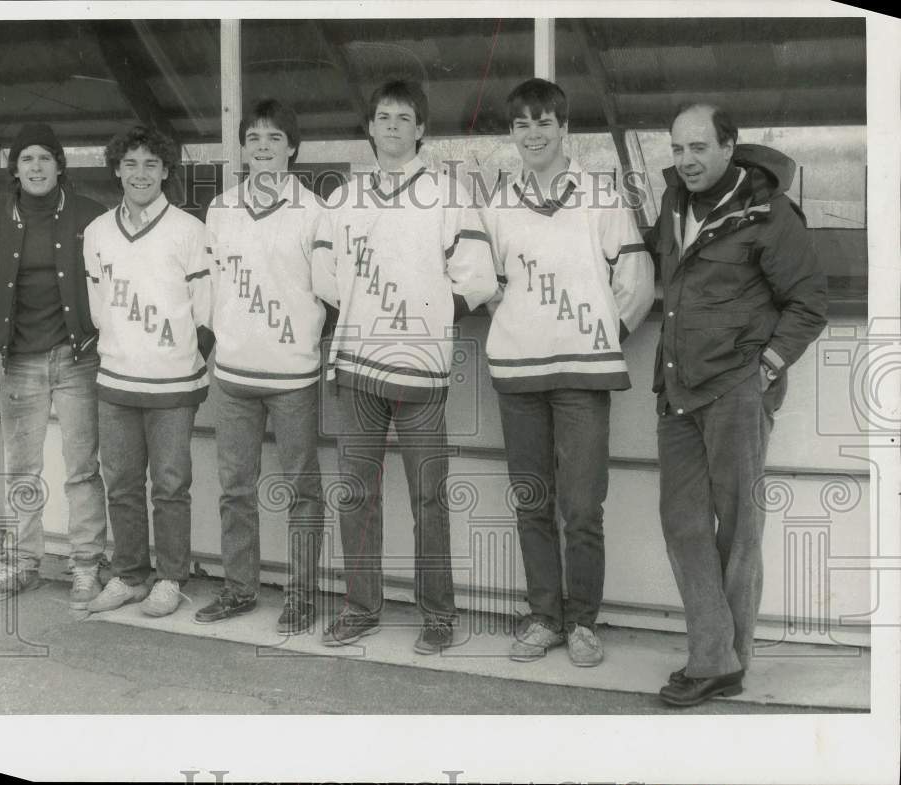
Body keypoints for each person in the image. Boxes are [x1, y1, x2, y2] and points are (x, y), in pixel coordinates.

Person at [646, 104, 827, 706]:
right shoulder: (672, 204)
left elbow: (808, 303)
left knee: (739, 530)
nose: (686, 160)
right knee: (683, 523)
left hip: (735, 393)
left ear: (730, 147)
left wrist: (765, 368)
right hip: (676, 390)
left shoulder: (770, 214)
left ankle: (720, 661)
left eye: (698, 147)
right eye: (677, 149)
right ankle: (717, 658)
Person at [311, 79, 497, 653]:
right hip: (358, 368)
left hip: (421, 374)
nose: (392, 125)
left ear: (421, 129)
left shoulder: (447, 194)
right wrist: (372, 315)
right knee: (357, 494)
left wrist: (427, 321)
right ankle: (362, 606)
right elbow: (324, 276)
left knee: (428, 498)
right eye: (383, 116)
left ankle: (438, 616)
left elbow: (480, 277)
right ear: (369, 127)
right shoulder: (344, 197)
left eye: (404, 117)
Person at [479, 78, 654, 666]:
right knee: (532, 500)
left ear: (564, 129)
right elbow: (479, 277)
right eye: (521, 124)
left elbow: (636, 278)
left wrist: (604, 334)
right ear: (513, 133)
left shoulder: (602, 196)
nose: (532, 134)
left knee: (581, 508)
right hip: (519, 373)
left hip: (584, 375)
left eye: (543, 122)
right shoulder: (499, 203)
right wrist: (507, 313)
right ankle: (545, 617)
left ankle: (582, 621)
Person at [0, 122, 109, 607]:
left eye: (46, 158)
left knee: (82, 468)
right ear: (15, 169)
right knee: (22, 469)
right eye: (27, 159)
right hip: (18, 361)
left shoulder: (91, 216)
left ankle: (87, 565)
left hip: (78, 358)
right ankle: (23, 563)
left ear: (60, 165)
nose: (37, 167)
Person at [196, 99, 326, 634]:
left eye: (275, 138)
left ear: (292, 147)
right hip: (233, 375)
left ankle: (300, 596)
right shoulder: (221, 209)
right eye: (254, 138)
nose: (264, 147)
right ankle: (239, 589)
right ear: (243, 148)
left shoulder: (317, 210)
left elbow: (331, 290)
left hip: (293, 375)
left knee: (301, 489)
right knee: (235, 489)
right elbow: (207, 288)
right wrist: (214, 348)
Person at [83, 126, 214, 618]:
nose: (141, 174)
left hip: (173, 384)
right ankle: (129, 575)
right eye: (131, 164)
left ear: (166, 172)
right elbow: (99, 309)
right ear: (117, 168)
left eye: (152, 165)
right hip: (116, 380)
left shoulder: (189, 230)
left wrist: (181, 357)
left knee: (170, 485)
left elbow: (206, 311)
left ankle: (171, 577)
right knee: (120, 483)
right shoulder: (97, 232)